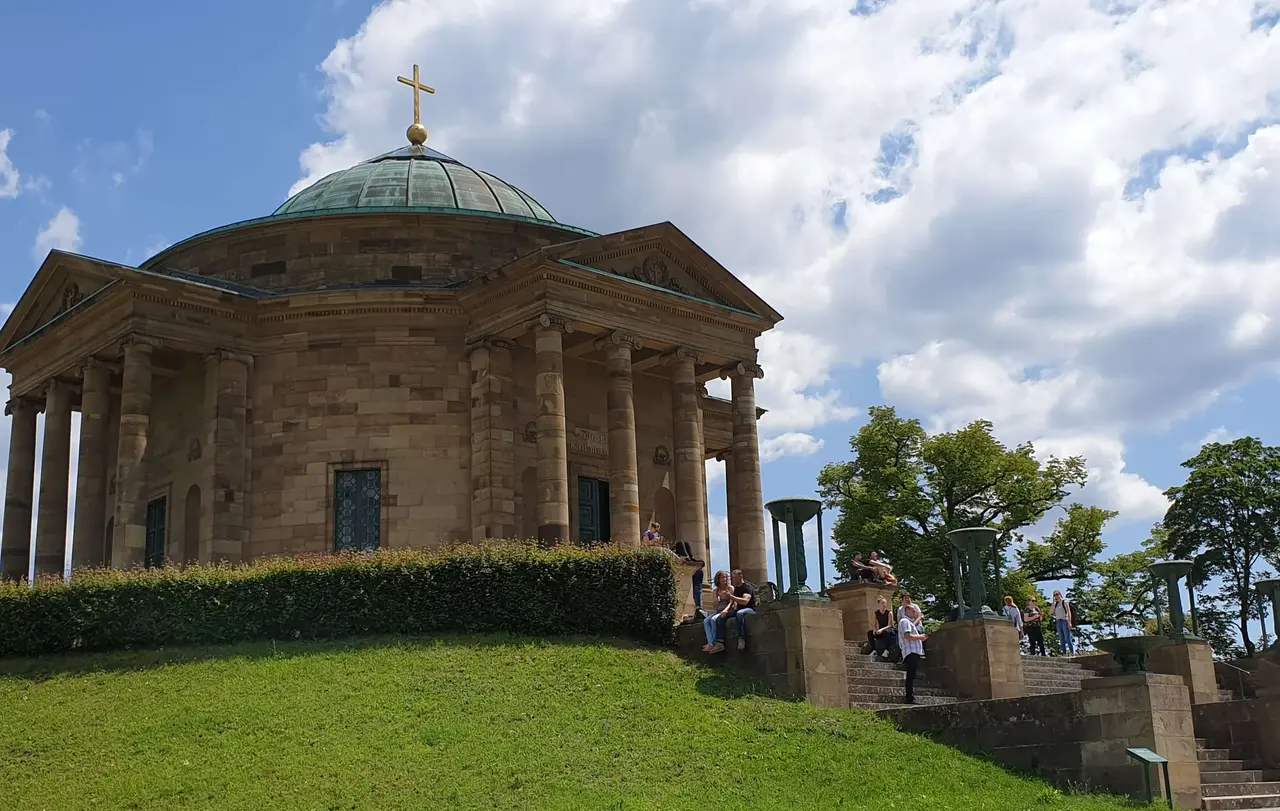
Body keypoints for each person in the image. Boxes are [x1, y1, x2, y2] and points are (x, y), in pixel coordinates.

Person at [898, 603, 928, 704]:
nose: (915, 613)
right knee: (911, 675)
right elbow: (907, 636)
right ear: (907, 611)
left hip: (913, 652)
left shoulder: (908, 622)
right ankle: (909, 697)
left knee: (912, 675)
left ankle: (910, 696)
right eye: (913, 611)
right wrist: (920, 637)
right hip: (910, 652)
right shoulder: (905, 621)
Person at [702, 571, 736, 654]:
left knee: (713, 620)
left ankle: (715, 642)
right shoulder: (716, 590)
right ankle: (710, 642)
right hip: (718, 610)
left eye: (725, 577)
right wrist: (716, 601)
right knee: (706, 621)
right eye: (722, 577)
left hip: (728, 609)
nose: (724, 579)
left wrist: (726, 610)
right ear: (718, 579)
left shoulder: (730, 588)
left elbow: (732, 602)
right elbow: (714, 606)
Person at [723, 569, 757, 650]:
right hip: (738, 609)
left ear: (740, 577)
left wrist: (731, 596)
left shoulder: (747, 587)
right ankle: (719, 641)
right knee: (721, 617)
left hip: (750, 609)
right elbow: (732, 602)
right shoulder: (735, 588)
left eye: (734, 578)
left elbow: (745, 602)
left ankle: (741, 638)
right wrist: (725, 610)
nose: (732, 580)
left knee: (739, 614)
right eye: (732, 578)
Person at [867, 595, 898, 659]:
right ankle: (873, 649)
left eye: (885, 603)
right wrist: (875, 630)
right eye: (882, 603)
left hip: (889, 630)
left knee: (887, 632)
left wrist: (881, 630)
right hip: (881, 630)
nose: (884, 604)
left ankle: (886, 650)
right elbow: (874, 624)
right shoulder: (876, 613)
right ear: (879, 604)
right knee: (869, 633)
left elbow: (890, 625)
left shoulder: (889, 613)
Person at [1051, 590, 1075, 656]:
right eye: (1054, 595)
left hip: (1064, 620)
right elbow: (1051, 611)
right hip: (1058, 621)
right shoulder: (1056, 604)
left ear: (1060, 594)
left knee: (1067, 638)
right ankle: (1064, 653)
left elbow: (1069, 612)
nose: (1056, 596)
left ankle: (1072, 652)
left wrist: (1069, 622)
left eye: (1057, 594)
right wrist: (1053, 602)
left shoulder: (1064, 602)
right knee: (1061, 639)